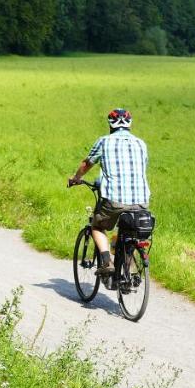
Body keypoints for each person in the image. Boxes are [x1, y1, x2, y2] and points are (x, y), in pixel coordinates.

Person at [67, 108, 150, 278]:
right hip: (142, 201)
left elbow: (86, 164)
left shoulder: (104, 141)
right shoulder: (141, 143)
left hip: (114, 200)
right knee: (128, 232)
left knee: (97, 226)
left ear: (110, 124)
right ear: (129, 124)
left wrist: (76, 178)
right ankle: (130, 273)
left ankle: (106, 262)